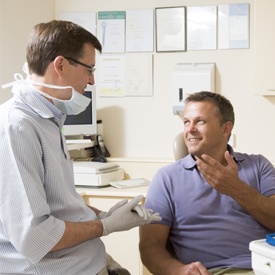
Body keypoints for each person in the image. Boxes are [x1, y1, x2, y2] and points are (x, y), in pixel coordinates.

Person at [0, 20, 161, 275]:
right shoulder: (17, 127)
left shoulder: (49, 119)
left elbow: (59, 205)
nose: (92, 80)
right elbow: (35, 236)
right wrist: (106, 226)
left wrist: (101, 214)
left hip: (86, 260)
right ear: (61, 65)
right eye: (89, 69)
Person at [139, 91, 275, 275]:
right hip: (216, 271)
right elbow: (150, 246)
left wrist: (236, 189)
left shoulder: (259, 165)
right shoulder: (166, 178)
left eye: (200, 121)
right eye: (186, 122)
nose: (190, 129)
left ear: (225, 129)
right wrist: (178, 271)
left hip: (267, 265)